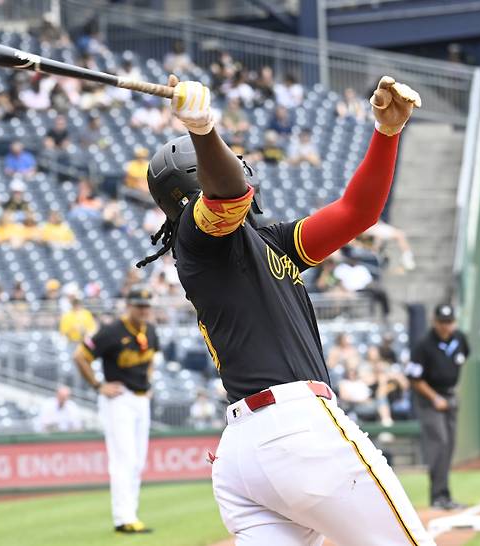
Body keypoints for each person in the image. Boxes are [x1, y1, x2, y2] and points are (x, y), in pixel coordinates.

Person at [137, 74, 432, 544]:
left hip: (245, 453)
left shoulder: (268, 242)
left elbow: (358, 212)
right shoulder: (197, 239)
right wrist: (202, 127)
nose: (237, 160)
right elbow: (229, 196)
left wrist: (386, 135)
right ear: (196, 177)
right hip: (298, 429)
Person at [73, 287, 160, 534]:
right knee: (124, 458)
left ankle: (130, 513)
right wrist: (98, 385)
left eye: (146, 305)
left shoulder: (151, 331)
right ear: (128, 305)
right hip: (119, 399)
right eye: (138, 305)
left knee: (138, 461)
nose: (143, 310)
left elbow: (151, 358)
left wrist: (149, 382)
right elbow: (80, 356)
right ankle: (123, 518)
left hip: (141, 399)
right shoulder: (112, 331)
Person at [406, 304, 469, 510]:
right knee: (439, 443)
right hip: (430, 400)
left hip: (449, 397)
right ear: (435, 322)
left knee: (449, 446)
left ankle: (444, 495)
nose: (446, 327)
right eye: (442, 322)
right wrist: (435, 397)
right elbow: (414, 378)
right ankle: (438, 496)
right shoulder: (423, 345)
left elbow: (462, 359)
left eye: (449, 322)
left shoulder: (460, 339)